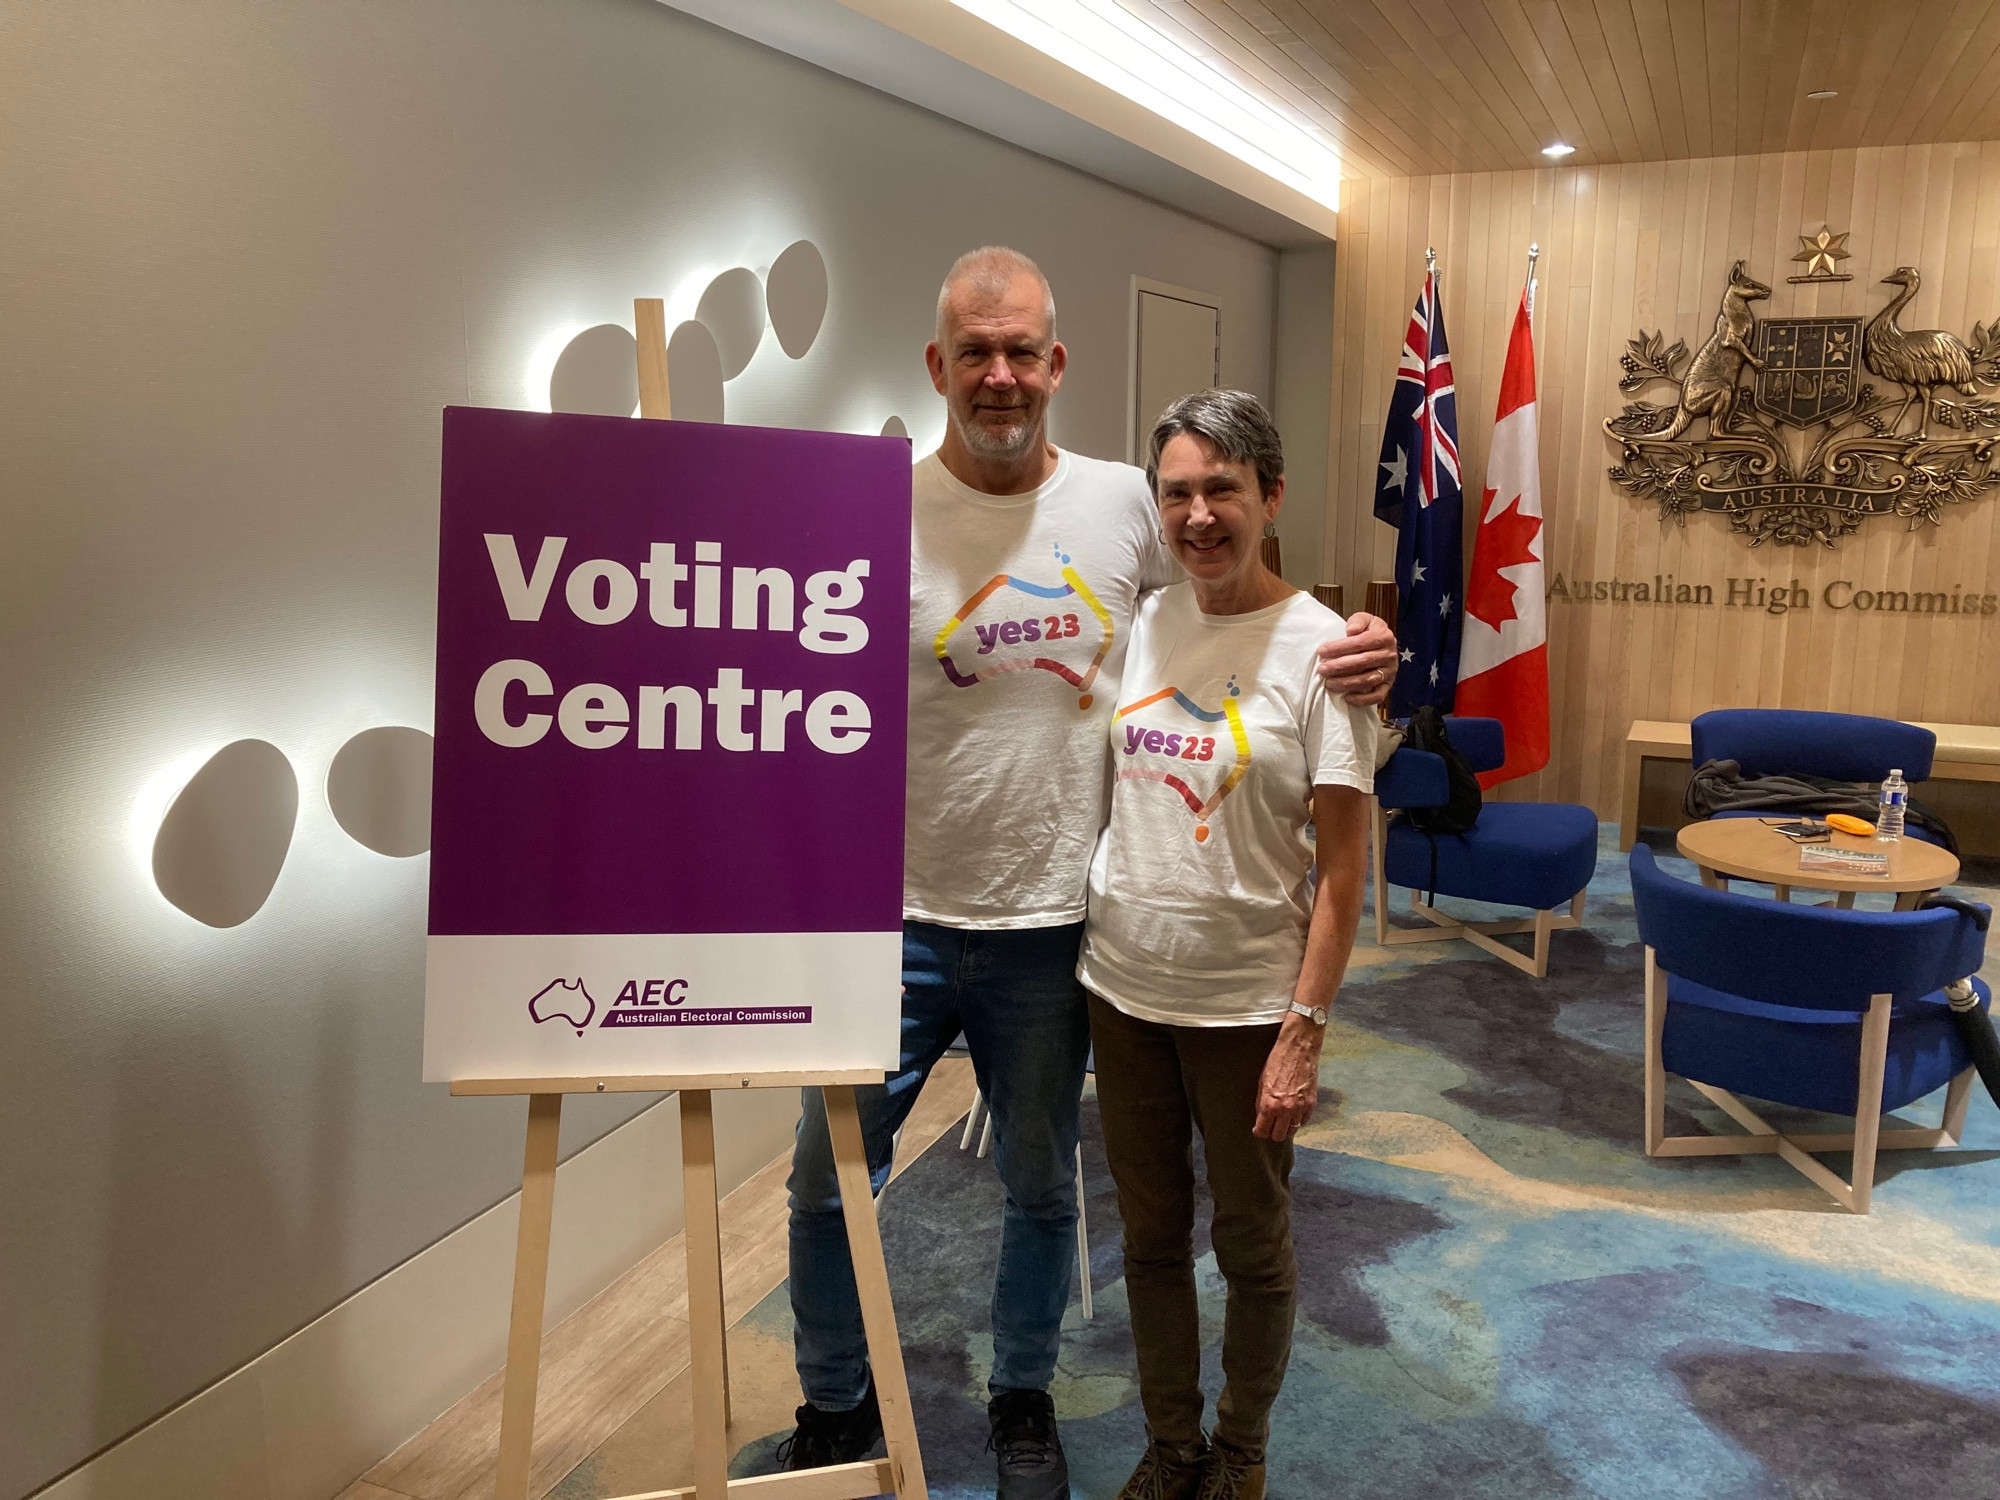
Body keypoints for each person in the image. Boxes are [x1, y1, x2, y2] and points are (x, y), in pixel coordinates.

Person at [777, 248, 1396, 1499]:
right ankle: (833, 1406)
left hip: (1054, 923)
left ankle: (1022, 1400)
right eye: (974, 353)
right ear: (937, 366)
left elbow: (1249, 621)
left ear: (1057, 366)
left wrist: (1370, 650)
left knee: (1039, 1185)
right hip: (886, 919)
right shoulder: (865, 510)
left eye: (1022, 353)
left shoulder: (1124, 503)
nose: (998, 376)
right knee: (823, 1181)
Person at [1082, 389, 1372, 1500]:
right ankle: (1172, 1444)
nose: (1199, 515)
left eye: (1222, 491)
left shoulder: (1324, 653)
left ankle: (1240, 1451)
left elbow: (1343, 874)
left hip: (1246, 1009)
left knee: (1249, 1247)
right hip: (1121, 988)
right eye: (1178, 492)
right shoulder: (1144, 622)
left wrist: (1302, 1034)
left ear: (1270, 498)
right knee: (1150, 1240)